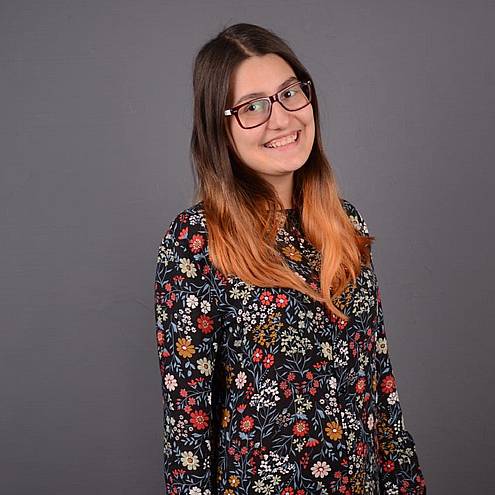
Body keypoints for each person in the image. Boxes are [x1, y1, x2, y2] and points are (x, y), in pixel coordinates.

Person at [154, 22, 426, 495]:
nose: (281, 119)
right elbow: (187, 429)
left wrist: (407, 485)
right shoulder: (196, 242)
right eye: (252, 107)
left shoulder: (344, 223)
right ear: (220, 129)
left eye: (289, 93)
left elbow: (381, 387)